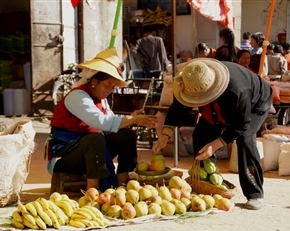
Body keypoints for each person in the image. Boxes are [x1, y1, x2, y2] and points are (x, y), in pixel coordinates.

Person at [152, 58, 272, 210]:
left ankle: (255, 194)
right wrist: (165, 136)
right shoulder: (192, 82)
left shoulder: (237, 91)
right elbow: (177, 108)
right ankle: (207, 184)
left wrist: (215, 144)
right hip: (217, 104)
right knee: (201, 134)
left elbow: (241, 124)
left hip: (255, 104)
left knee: (244, 139)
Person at [46, 48, 158, 191]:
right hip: (65, 155)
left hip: (91, 151)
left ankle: (122, 185)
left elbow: (111, 120)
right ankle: (93, 190)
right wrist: (132, 120)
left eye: (113, 87)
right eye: (107, 85)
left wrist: (131, 117)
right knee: (95, 139)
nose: (110, 90)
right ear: (94, 82)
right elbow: (100, 122)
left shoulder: (102, 100)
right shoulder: (77, 96)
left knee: (127, 135)